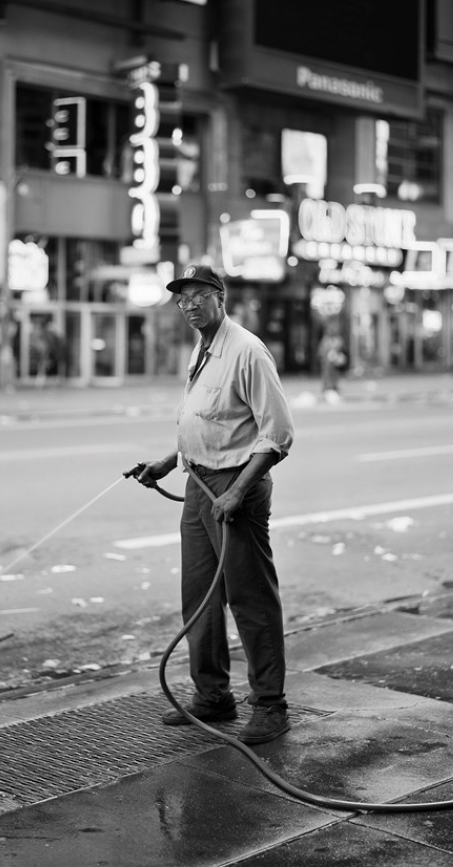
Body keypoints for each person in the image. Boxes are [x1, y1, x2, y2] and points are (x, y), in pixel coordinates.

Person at [137, 264, 294, 745]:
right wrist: (169, 461)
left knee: (250, 598)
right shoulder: (202, 349)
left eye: (197, 296)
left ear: (219, 297)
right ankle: (213, 697)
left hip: (233, 491)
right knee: (199, 598)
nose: (188, 306)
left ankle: (270, 705)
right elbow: (208, 421)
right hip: (198, 485)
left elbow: (278, 435)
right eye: (181, 299)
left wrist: (238, 490)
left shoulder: (246, 350)